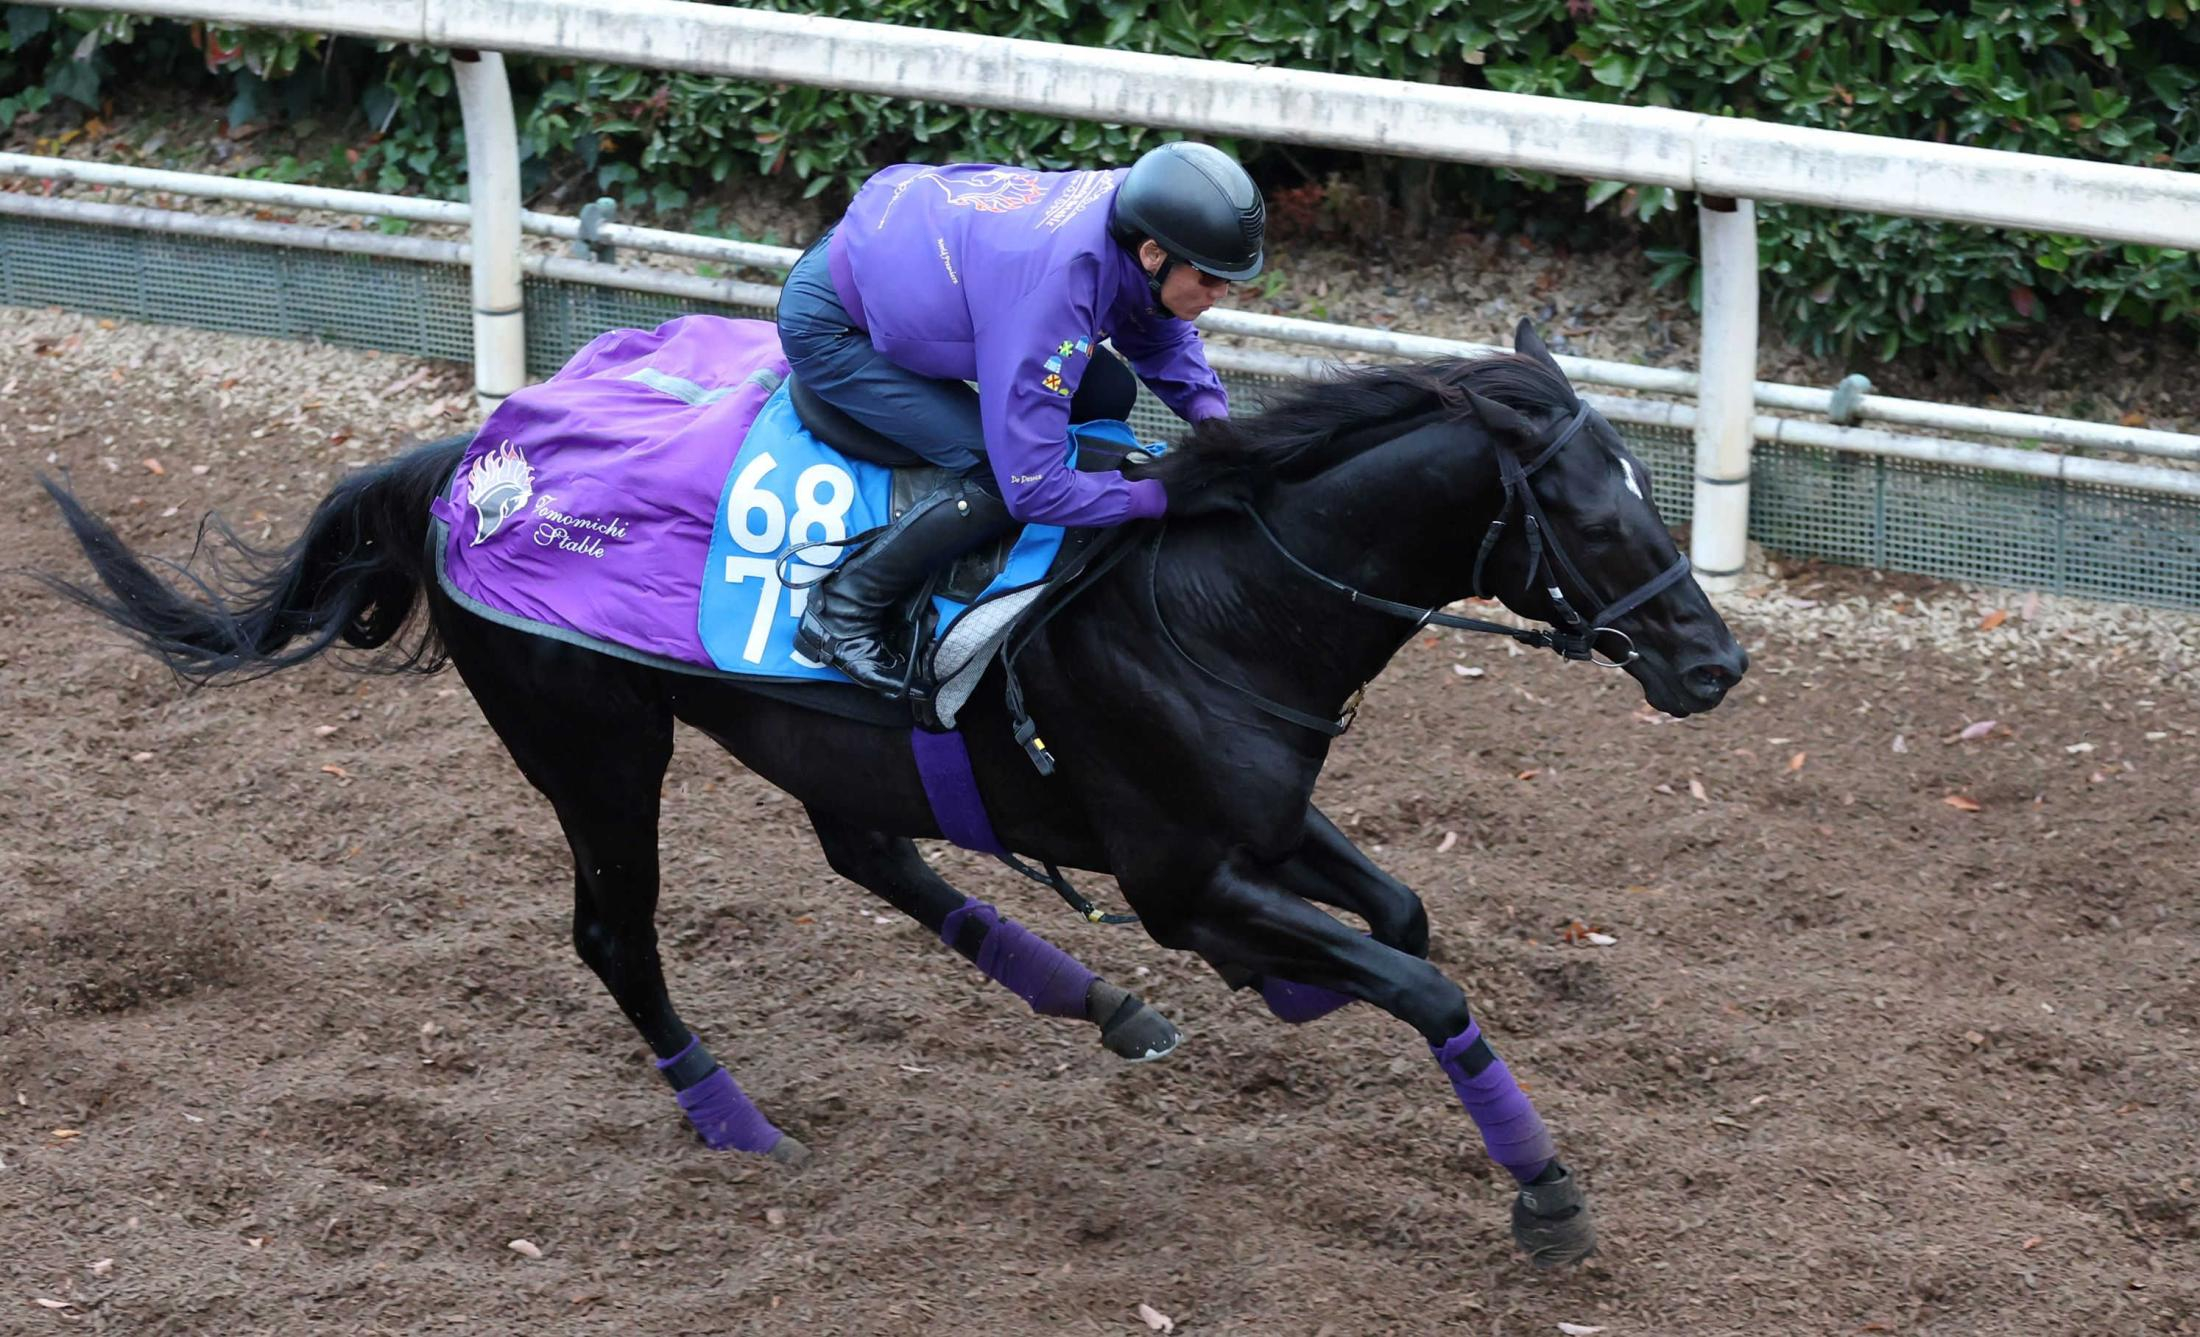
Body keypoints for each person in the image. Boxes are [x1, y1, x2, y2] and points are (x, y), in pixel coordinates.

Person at [774, 140, 1266, 696]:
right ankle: (840, 612)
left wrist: (1214, 424)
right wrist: (1161, 496)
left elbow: (1151, 319)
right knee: (993, 466)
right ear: (1154, 253)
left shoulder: (1142, 208)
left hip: (913, 259)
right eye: (1209, 278)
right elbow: (1031, 487)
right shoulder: (1056, 290)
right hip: (833, 328)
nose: (1221, 293)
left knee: (1105, 388)